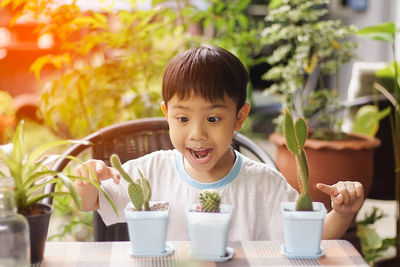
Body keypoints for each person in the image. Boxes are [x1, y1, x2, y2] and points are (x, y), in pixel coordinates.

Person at [74, 45, 364, 241]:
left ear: (239, 118)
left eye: (213, 119)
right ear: (167, 115)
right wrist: (86, 182)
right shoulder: (149, 172)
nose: (197, 134)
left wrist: (342, 213)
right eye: (183, 119)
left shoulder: (264, 182)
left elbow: (312, 239)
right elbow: (89, 202)